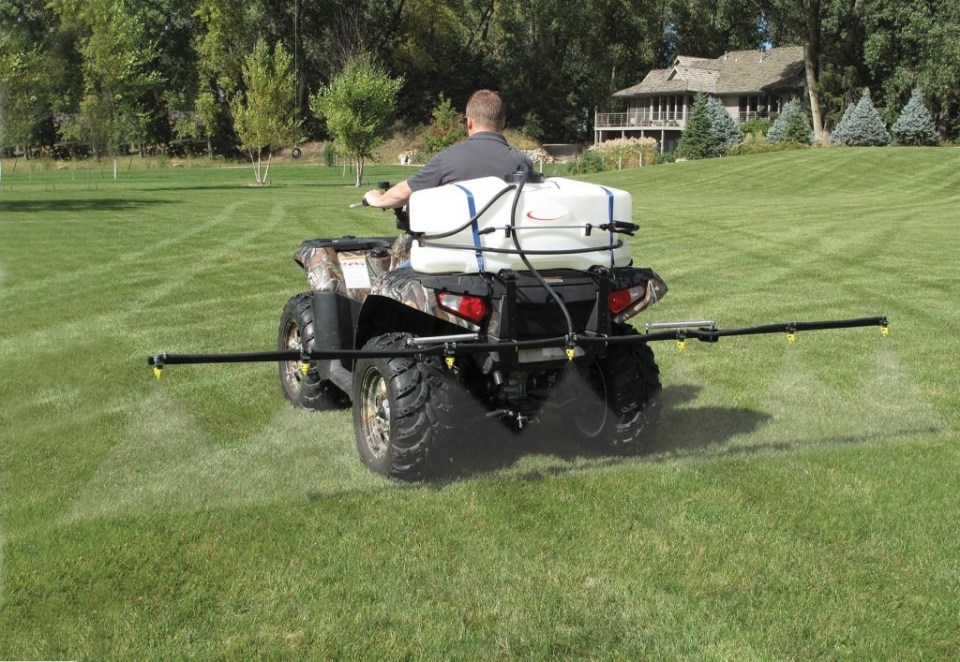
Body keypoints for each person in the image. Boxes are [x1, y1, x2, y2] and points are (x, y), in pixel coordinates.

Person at [363, 89, 534, 209]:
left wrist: (376, 199)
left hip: (458, 251)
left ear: (469, 121)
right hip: (508, 253)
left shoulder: (448, 159)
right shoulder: (523, 163)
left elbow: (402, 194)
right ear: (503, 122)